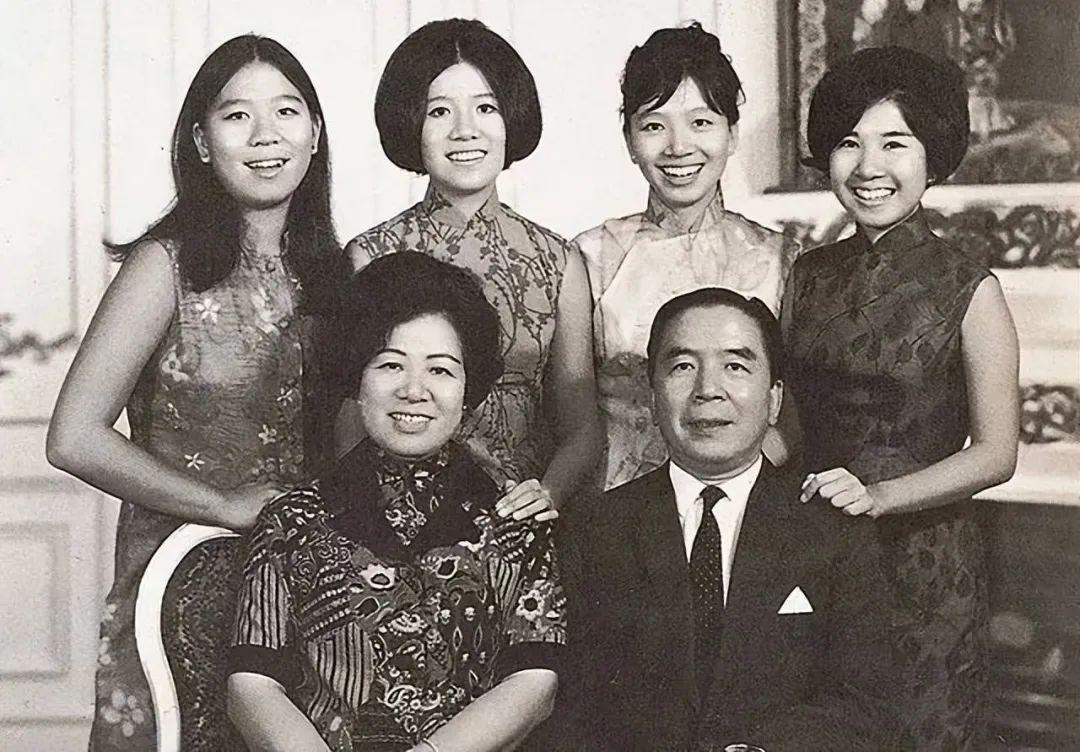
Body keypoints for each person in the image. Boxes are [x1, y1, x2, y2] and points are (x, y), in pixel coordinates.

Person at [45, 35, 343, 750]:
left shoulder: (337, 273)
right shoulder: (164, 267)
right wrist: (222, 505)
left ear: (315, 133)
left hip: (305, 590)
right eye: (237, 116)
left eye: (287, 111)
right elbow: (73, 437)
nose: (266, 135)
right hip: (178, 583)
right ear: (202, 143)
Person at [228, 252, 566, 752]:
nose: (414, 390)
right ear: (356, 377)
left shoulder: (515, 521)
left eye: (441, 370)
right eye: (390, 365)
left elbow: (535, 683)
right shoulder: (292, 519)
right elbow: (250, 685)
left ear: (468, 387)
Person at [784, 46, 1019, 750]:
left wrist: (881, 497)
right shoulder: (807, 275)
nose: (868, 167)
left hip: (928, 565)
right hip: (820, 549)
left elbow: (997, 454)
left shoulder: (971, 287)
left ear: (932, 157)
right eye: (848, 143)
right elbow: (790, 422)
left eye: (894, 143)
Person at [564, 288, 904, 751]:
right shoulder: (596, 528)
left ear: (774, 400)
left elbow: (866, 703)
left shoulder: (833, 528)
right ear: (653, 396)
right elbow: (576, 708)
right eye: (683, 366)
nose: (708, 389)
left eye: (736, 367)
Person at [343, 18, 602, 519]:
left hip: (522, 515)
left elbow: (582, 425)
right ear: (411, 124)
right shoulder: (371, 255)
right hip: (397, 517)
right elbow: (351, 414)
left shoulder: (558, 261)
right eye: (439, 111)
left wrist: (548, 494)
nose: (466, 130)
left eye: (486, 108)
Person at [574, 23, 800, 490]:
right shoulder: (589, 257)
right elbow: (573, 416)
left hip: (745, 504)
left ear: (732, 134)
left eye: (701, 123)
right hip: (617, 503)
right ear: (629, 140)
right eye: (654, 126)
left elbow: (795, 415)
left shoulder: (781, 259)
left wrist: (725, 492)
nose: (678, 148)